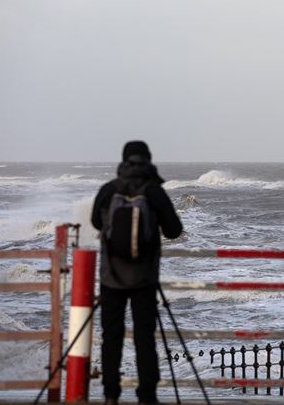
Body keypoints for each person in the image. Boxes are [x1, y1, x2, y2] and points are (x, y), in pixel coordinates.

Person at [91, 141, 182, 405]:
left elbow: (96, 222)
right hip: (144, 278)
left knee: (111, 337)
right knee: (144, 337)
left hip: (111, 277)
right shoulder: (153, 191)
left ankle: (111, 395)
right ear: (148, 160)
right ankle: (147, 396)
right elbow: (174, 230)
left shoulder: (109, 189)